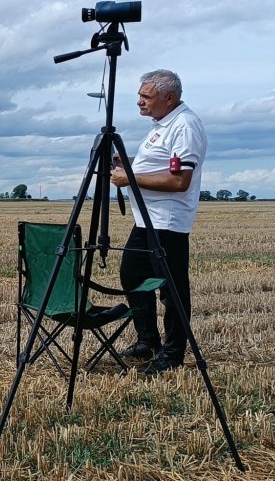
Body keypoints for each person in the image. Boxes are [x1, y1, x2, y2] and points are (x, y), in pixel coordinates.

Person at [111, 69, 207, 375]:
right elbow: (157, 166)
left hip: (167, 221)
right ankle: (148, 341)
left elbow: (180, 180)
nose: (140, 102)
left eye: (146, 97)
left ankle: (173, 353)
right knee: (132, 274)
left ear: (170, 97)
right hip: (146, 219)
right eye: (139, 95)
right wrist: (127, 167)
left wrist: (131, 177)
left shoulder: (185, 125)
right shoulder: (160, 125)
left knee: (172, 289)